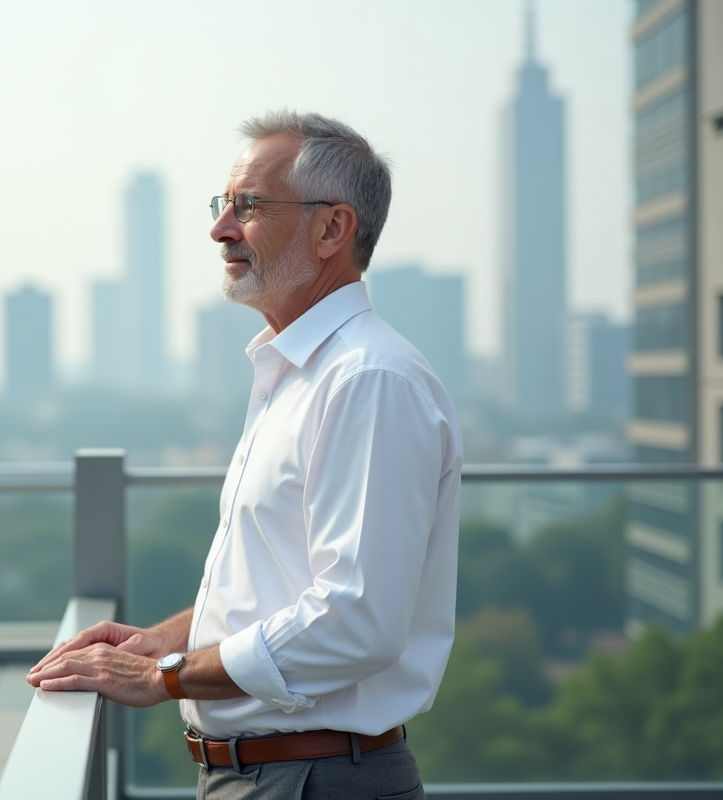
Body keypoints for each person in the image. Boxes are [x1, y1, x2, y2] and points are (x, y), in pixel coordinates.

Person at [28, 110, 462, 799]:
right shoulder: (295, 375)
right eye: (224, 206)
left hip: (314, 781)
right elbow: (278, 591)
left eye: (249, 207)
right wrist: (163, 643)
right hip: (274, 775)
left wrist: (164, 678)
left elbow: (357, 621)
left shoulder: (368, 380)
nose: (221, 229)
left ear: (331, 229)